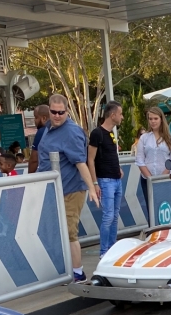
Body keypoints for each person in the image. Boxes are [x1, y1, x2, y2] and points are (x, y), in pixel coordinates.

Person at [38, 92, 99, 282]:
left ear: (67, 112)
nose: (56, 116)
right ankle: (64, 270)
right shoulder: (49, 127)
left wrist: (92, 187)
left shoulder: (71, 132)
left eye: (61, 112)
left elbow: (82, 163)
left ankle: (78, 273)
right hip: (53, 191)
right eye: (53, 112)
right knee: (56, 231)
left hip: (70, 190)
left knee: (69, 231)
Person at [88, 100, 124, 258]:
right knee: (108, 215)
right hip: (105, 180)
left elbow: (110, 154)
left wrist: (118, 168)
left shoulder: (111, 133)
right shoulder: (97, 133)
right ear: (113, 115)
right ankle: (104, 251)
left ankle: (112, 246)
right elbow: (90, 159)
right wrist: (95, 182)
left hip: (116, 179)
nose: (122, 117)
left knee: (115, 215)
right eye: (121, 114)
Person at [28, 104, 50, 173]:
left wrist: (29, 176)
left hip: (47, 172)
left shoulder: (41, 132)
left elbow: (34, 159)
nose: (34, 121)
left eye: (36, 117)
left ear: (44, 118)